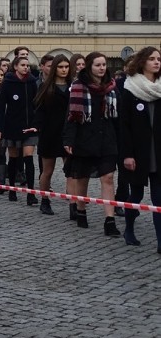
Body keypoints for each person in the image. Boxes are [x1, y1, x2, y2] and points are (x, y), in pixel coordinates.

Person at [63, 52, 121, 236]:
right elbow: (71, 116)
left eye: (104, 64)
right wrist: (68, 140)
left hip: (107, 138)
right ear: (90, 67)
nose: (102, 68)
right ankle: (81, 210)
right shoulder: (78, 87)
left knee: (108, 177)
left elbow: (119, 115)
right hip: (84, 137)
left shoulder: (112, 87)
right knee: (82, 177)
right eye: (98, 65)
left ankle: (109, 220)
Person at [118, 46, 161, 251]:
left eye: (158, 59)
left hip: (158, 151)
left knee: (159, 199)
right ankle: (129, 228)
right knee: (135, 196)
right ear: (143, 62)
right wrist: (127, 154)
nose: (156, 62)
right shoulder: (130, 88)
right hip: (137, 152)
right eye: (152, 59)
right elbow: (124, 125)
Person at [0, 55, 39, 205]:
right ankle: (12, 188)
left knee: (28, 157)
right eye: (23, 65)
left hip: (29, 126)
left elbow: (37, 104)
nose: (26, 67)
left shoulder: (32, 82)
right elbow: (1, 108)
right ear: (16, 67)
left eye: (27, 65)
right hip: (12, 126)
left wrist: (37, 124)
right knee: (13, 158)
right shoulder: (8, 83)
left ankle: (31, 193)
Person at [33, 55, 72, 215]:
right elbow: (39, 110)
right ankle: (45, 200)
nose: (64, 70)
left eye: (66, 67)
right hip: (49, 133)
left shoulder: (73, 86)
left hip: (68, 134)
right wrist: (37, 127)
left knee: (71, 171)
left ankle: (73, 204)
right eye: (61, 67)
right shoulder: (45, 87)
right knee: (47, 171)